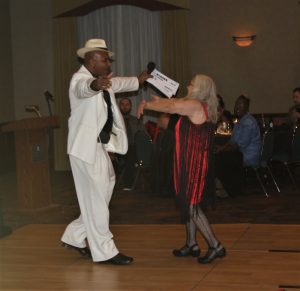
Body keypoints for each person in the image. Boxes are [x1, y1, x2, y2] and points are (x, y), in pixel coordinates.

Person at [61, 38, 150, 265]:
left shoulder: (103, 80)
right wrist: (94, 85)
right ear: (92, 60)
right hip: (84, 147)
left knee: (105, 188)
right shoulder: (80, 80)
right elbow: (83, 89)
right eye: (105, 59)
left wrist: (138, 80)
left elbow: (117, 83)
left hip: (97, 146)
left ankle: (74, 235)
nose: (108, 63)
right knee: (98, 200)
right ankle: (105, 251)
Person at [137, 74, 226, 264]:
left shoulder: (195, 105)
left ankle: (215, 245)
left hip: (194, 163)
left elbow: (172, 106)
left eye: (191, 83)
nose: (188, 84)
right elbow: (174, 106)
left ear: (200, 88)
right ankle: (192, 243)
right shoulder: (196, 106)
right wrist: (160, 100)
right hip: (187, 161)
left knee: (192, 205)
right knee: (187, 203)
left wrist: (148, 105)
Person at [215, 95, 261, 197]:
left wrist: (221, 150)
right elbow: (232, 141)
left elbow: (239, 145)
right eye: (236, 104)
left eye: (240, 104)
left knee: (222, 159)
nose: (237, 107)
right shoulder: (240, 121)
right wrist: (221, 148)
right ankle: (222, 187)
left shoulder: (248, 122)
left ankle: (228, 190)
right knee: (219, 156)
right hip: (239, 153)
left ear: (247, 107)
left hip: (248, 156)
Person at [117, 97, 146, 190]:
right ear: (119, 106)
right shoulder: (115, 120)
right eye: (122, 105)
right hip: (118, 148)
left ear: (130, 106)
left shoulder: (136, 120)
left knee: (133, 152)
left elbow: (143, 135)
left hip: (133, 148)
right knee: (130, 154)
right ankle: (128, 183)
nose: (125, 107)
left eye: (127, 105)